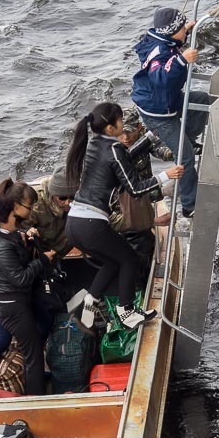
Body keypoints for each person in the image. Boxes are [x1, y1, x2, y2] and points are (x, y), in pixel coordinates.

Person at [64, 101, 183, 331]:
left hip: (74, 223)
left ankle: (90, 302)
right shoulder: (114, 149)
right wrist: (165, 175)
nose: (123, 126)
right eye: (120, 121)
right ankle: (127, 311)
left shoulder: (93, 143)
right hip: (91, 223)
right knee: (129, 259)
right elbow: (135, 188)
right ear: (111, 128)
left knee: (112, 261)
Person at [131, 7, 210, 218]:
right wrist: (182, 60)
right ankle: (190, 206)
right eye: (181, 27)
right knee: (185, 157)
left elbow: (171, 45)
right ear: (171, 31)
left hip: (168, 101)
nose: (185, 29)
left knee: (201, 101)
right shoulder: (159, 53)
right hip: (158, 112)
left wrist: (186, 31)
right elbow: (161, 78)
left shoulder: (162, 40)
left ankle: (188, 141)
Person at [0, 195, 55, 396]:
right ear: (1, 219)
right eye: (13, 215)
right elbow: (21, 279)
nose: (17, 218)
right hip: (12, 307)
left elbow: (13, 242)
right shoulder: (2, 247)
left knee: (44, 322)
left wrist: (26, 238)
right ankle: (35, 397)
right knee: (33, 355)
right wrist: (43, 261)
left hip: (17, 300)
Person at [20, 164, 77, 259]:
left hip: (60, 253)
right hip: (41, 256)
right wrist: (27, 230)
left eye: (72, 197)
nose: (67, 203)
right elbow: (19, 226)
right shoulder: (37, 206)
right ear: (53, 194)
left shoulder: (81, 201)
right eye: (62, 198)